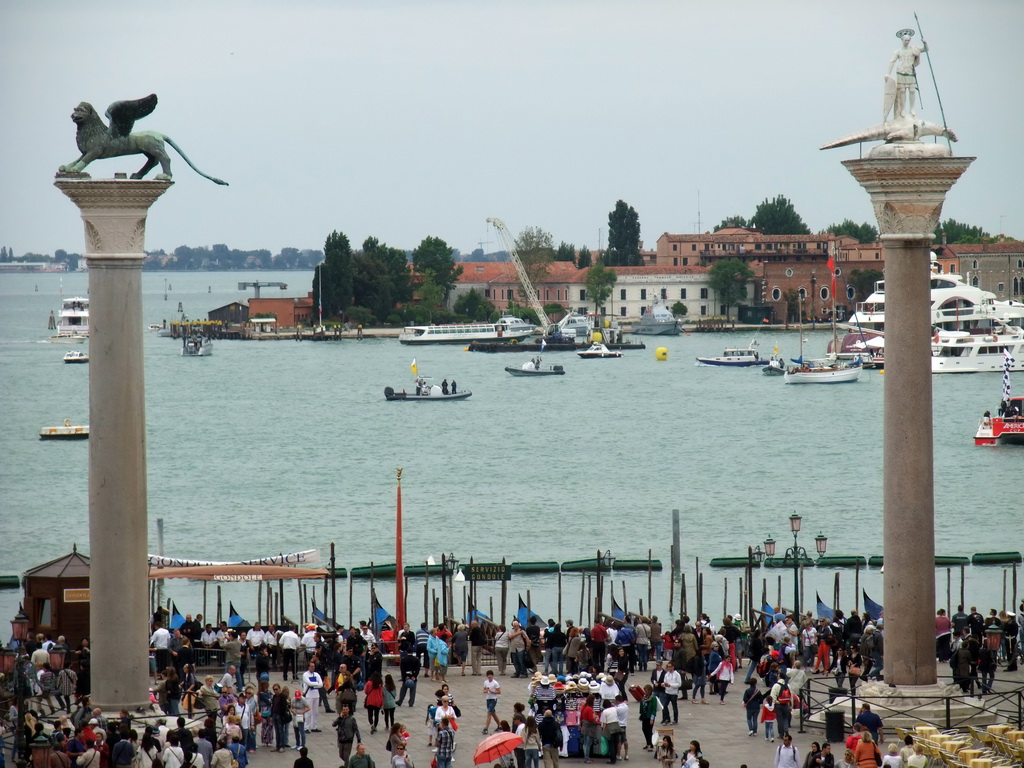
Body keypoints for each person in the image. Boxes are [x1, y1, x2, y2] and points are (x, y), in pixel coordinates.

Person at [638, 684, 657, 752]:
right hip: (644, 715)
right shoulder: (644, 697)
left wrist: (652, 718)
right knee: (644, 729)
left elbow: (654, 709)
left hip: (650, 716)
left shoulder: (653, 698)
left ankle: (650, 744)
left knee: (649, 730)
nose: (645, 692)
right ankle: (647, 742)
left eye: (646, 690)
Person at [482, 670, 501, 734]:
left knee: (489, 713)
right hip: (488, 699)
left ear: (492, 676)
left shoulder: (495, 683)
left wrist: (492, 691)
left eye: (491, 676)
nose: (489, 677)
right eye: (488, 676)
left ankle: (486, 728)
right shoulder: (485, 682)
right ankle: (500, 725)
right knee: (493, 713)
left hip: (493, 699)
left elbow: (499, 692)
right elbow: (484, 689)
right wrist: (485, 691)